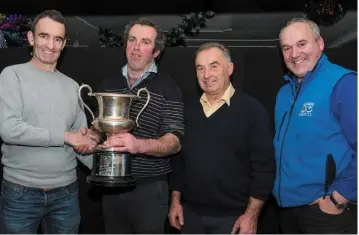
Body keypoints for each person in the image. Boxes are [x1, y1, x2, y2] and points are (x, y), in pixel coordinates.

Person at [0, 10, 99, 234]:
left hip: (66, 195)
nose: (50, 45)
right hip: (21, 194)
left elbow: (80, 142)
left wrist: (100, 151)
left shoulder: (72, 86)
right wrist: (65, 136)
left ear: (64, 44)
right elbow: (9, 129)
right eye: (44, 36)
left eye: (57, 39)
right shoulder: (12, 76)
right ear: (31, 38)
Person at [168, 42, 276, 234]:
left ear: (230, 68)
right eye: (200, 68)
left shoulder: (252, 111)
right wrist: (175, 201)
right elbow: (179, 163)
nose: (206, 74)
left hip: (234, 220)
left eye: (214, 66)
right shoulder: (189, 113)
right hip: (191, 216)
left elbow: (264, 168)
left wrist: (251, 216)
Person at [96, 18, 185, 234]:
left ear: (156, 52)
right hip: (111, 185)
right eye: (132, 40)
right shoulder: (108, 84)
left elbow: (174, 142)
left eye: (145, 42)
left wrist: (138, 145)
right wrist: (88, 138)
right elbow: (98, 133)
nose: (136, 47)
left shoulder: (169, 88)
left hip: (150, 189)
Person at [273, 17, 357, 234]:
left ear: (319, 44)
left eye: (302, 44)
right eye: (287, 48)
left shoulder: (344, 83)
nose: (294, 54)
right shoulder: (284, 94)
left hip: (326, 213)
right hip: (288, 211)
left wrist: (338, 199)